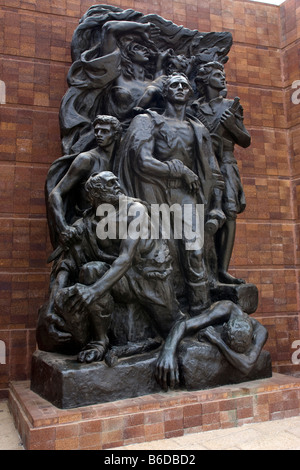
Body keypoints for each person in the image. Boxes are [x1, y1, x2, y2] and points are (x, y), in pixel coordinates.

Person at [37, 171, 186, 363]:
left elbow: (125, 258)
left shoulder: (136, 211)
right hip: (121, 281)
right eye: (110, 184)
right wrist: (52, 304)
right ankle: (100, 341)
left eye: (116, 181)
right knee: (90, 270)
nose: (117, 185)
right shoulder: (88, 222)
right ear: (96, 195)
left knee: (173, 324)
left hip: (149, 278)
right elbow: (67, 263)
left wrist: (94, 291)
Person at [117, 72, 225, 315]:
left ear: (189, 93)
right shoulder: (148, 121)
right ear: (164, 92)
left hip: (189, 196)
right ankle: (169, 315)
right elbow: (142, 161)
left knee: (195, 253)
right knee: (163, 256)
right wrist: (177, 171)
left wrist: (217, 206)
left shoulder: (198, 129)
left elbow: (213, 172)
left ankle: (200, 312)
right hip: (155, 194)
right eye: (173, 84)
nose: (179, 88)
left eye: (184, 85)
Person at [192, 61, 251, 284]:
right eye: (217, 74)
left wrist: (233, 126)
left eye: (223, 74)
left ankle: (223, 270)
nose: (223, 77)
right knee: (204, 214)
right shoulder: (194, 108)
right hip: (202, 165)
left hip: (226, 164)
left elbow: (245, 140)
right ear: (206, 80)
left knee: (229, 212)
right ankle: (204, 269)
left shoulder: (232, 106)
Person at [155, 300, 268, 390]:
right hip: (193, 310)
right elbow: (184, 324)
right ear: (225, 325)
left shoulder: (260, 332)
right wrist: (168, 350)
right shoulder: (225, 309)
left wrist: (218, 341)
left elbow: (247, 366)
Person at [47, 115, 122, 252]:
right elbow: (55, 194)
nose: (99, 135)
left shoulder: (121, 159)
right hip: (87, 227)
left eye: (104, 131)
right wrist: (64, 228)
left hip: (114, 225)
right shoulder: (86, 160)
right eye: (97, 131)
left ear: (116, 135)